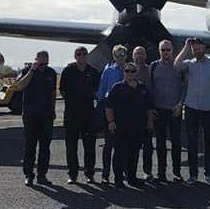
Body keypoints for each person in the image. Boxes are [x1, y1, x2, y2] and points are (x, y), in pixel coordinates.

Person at [174, 37, 210, 184]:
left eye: (199, 48)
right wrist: (185, 47)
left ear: (204, 48)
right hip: (191, 107)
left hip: (208, 108)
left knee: (209, 142)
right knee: (192, 142)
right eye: (194, 49)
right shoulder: (189, 64)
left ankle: (208, 173)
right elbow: (176, 65)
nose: (196, 51)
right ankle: (193, 175)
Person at [105, 62, 155, 189]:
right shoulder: (117, 87)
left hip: (138, 127)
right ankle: (118, 179)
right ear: (124, 72)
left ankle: (132, 178)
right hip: (121, 127)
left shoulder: (142, 88)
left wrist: (150, 121)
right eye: (127, 71)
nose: (130, 73)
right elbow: (109, 106)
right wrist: (111, 122)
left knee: (134, 153)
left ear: (136, 72)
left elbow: (149, 107)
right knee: (119, 153)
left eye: (133, 71)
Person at [59, 46, 100, 184]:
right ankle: (73, 174)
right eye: (78, 54)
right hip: (71, 115)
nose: (81, 55)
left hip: (88, 114)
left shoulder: (93, 72)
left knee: (89, 146)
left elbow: (96, 91)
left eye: (84, 53)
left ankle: (89, 173)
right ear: (75, 56)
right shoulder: (68, 71)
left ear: (87, 56)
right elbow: (62, 91)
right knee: (71, 147)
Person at [17, 50, 58, 187]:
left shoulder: (51, 73)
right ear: (35, 60)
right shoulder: (26, 71)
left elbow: (53, 93)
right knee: (30, 146)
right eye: (41, 63)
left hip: (46, 115)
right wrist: (32, 71)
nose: (43, 66)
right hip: (30, 115)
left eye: (45, 63)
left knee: (45, 147)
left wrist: (53, 110)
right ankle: (29, 175)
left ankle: (42, 175)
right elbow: (20, 85)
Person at [149, 40, 184, 182]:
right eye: (163, 50)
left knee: (176, 142)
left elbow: (185, 86)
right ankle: (161, 172)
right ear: (159, 51)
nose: (165, 52)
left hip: (174, 110)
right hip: (159, 110)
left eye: (168, 49)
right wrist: (150, 108)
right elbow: (150, 88)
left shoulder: (178, 66)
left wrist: (180, 104)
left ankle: (177, 172)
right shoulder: (154, 66)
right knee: (160, 143)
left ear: (172, 50)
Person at [96, 44, 128, 184]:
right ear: (113, 57)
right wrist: (101, 110)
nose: (120, 58)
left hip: (126, 113)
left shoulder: (130, 70)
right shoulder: (108, 71)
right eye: (117, 55)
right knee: (108, 144)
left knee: (124, 146)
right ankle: (105, 173)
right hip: (111, 112)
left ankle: (123, 173)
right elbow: (101, 92)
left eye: (122, 55)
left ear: (126, 56)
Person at [132, 46, 155, 181]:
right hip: (130, 115)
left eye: (141, 53)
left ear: (146, 56)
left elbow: (152, 92)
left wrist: (151, 115)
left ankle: (147, 171)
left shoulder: (151, 70)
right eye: (137, 53)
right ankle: (130, 172)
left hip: (146, 113)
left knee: (147, 146)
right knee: (130, 146)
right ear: (133, 55)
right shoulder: (128, 70)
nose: (139, 56)